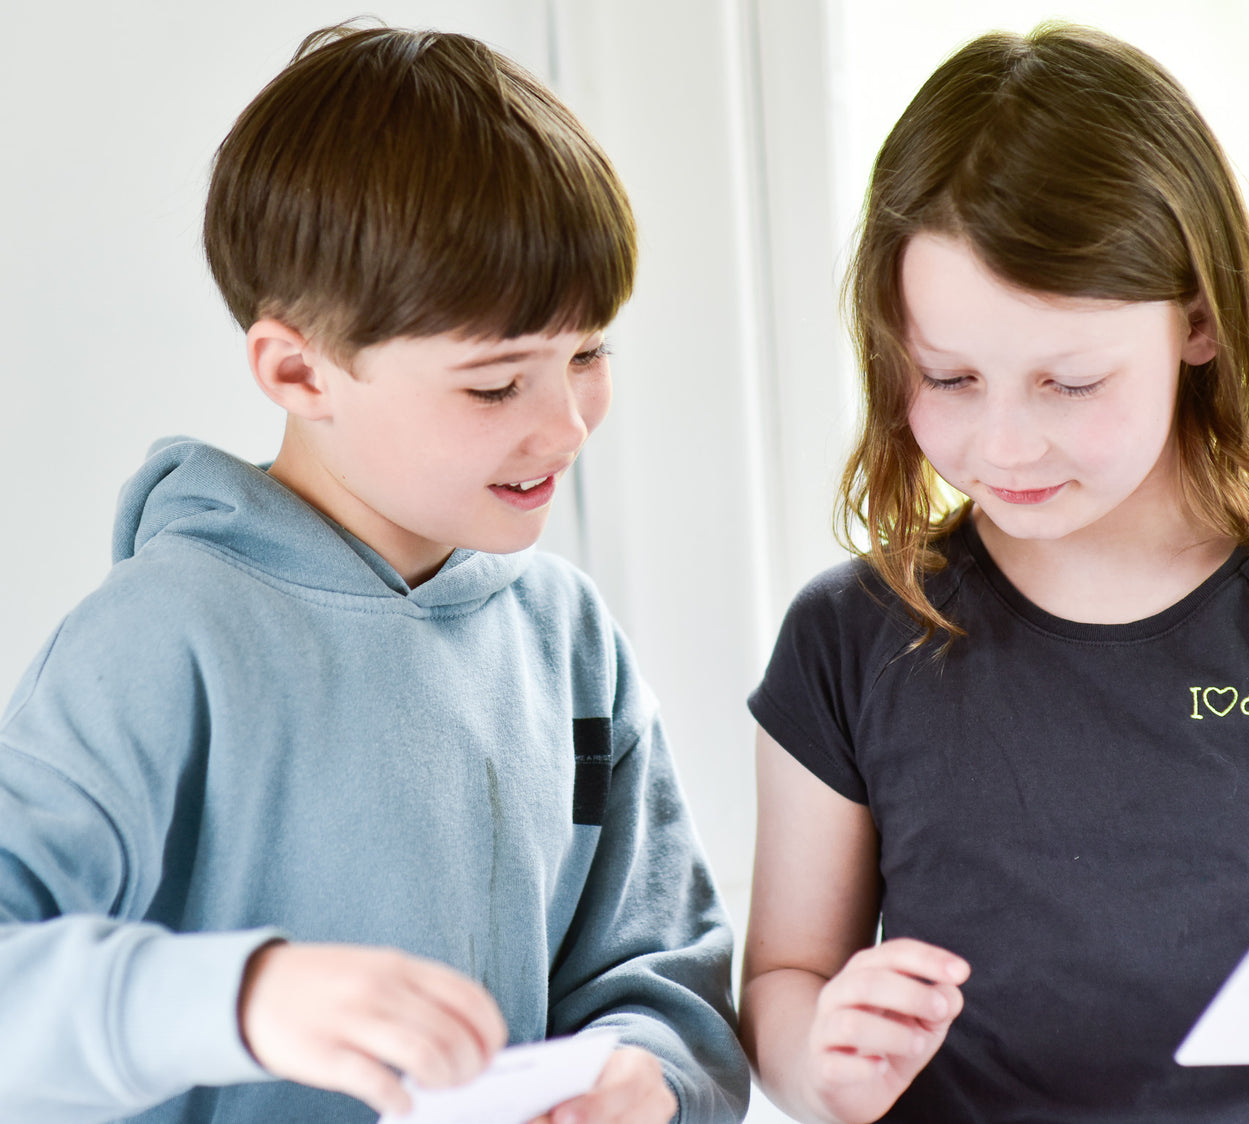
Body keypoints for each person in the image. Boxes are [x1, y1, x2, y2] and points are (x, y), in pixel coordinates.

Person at [740, 22, 1249, 1124]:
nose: (1003, 445)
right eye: (948, 377)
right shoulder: (848, 635)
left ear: (1198, 320)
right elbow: (783, 979)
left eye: (1070, 382)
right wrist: (821, 1061)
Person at [0, 23, 747, 1124]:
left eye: (587, 356)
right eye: (496, 386)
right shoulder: (160, 637)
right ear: (300, 368)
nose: (568, 425)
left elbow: (664, 982)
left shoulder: (570, 636)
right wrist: (246, 996)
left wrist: (647, 1078)